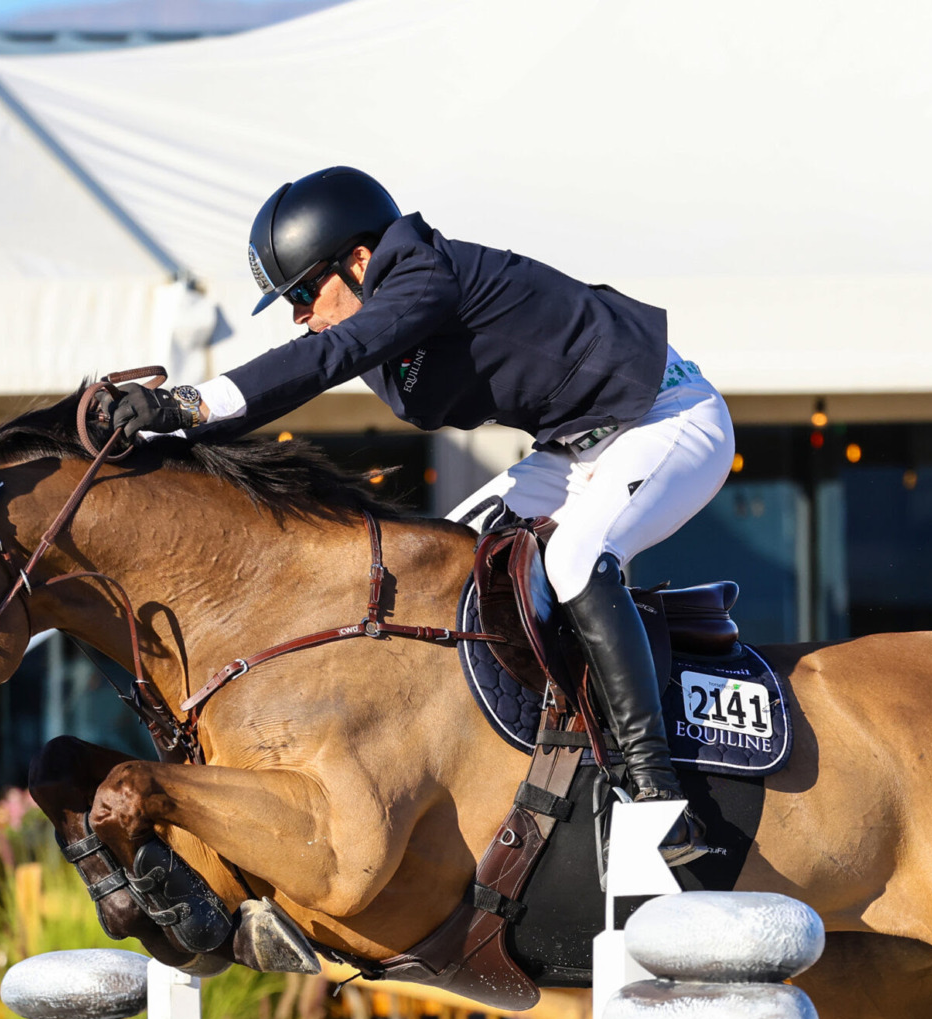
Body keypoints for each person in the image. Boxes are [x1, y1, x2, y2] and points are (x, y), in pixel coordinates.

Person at [109, 166, 731, 864]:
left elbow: (322, 357)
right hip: (574, 448)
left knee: (576, 559)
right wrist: (168, 440)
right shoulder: (390, 300)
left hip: (667, 418)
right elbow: (324, 352)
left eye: (305, 292)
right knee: (447, 563)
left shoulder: (425, 274)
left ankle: (655, 797)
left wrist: (190, 404)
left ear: (362, 259)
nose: (300, 314)